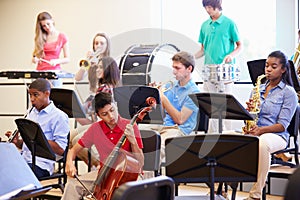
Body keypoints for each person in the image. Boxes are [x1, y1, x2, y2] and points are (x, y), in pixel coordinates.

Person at [61, 92, 144, 200]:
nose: (111, 116)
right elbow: (73, 150)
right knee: (72, 185)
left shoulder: (130, 126)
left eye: (112, 110)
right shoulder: (96, 128)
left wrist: (133, 141)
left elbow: (141, 161)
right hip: (104, 175)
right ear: (98, 115)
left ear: (116, 105)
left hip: (130, 175)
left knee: (131, 193)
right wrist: (69, 163)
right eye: (105, 114)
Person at [243, 51, 298, 200]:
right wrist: (248, 113)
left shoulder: (289, 93)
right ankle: (221, 188)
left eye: (273, 66)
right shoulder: (258, 88)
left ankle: (256, 194)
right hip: (257, 131)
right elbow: (250, 117)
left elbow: (282, 125)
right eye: (267, 65)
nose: (268, 69)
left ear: (283, 69)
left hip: (277, 136)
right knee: (227, 137)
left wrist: (260, 130)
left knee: (263, 143)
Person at [5, 78, 70, 178]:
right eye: (30, 95)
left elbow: (61, 149)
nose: (32, 99)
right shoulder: (30, 112)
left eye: (35, 95)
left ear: (47, 94)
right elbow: (30, 145)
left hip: (41, 165)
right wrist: (18, 142)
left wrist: (39, 139)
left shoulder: (59, 116)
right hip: (24, 160)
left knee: (14, 175)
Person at [194, 0, 242, 132]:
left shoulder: (229, 23)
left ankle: (228, 135)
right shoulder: (205, 25)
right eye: (206, 7)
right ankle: (212, 137)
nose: (207, 10)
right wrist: (190, 58)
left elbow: (239, 46)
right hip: (209, 72)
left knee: (226, 107)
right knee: (210, 107)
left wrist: (231, 56)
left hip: (225, 72)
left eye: (210, 7)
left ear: (217, 6)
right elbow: (202, 50)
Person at [70, 56, 121, 167]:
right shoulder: (104, 87)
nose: (97, 69)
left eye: (100, 67)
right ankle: (93, 166)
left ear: (108, 70)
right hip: (99, 123)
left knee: (77, 141)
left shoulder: (106, 89)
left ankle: (100, 166)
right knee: (70, 136)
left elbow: (90, 109)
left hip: (106, 125)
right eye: (97, 67)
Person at [150, 51, 200, 163]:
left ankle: (148, 179)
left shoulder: (194, 93)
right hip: (163, 126)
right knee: (136, 138)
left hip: (179, 130)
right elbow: (161, 112)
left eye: (178, 68)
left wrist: (163, 98)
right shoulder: (170, 85)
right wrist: (155, 98)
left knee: (154, 151)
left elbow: (180, 119)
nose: (174, 72)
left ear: (189, 69)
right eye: (173, 67)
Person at [32, 11, 70, 87]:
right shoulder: (40, 37)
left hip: (54, 72)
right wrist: (35, 59)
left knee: (56, 96)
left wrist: (56, 61)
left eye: (48, 24)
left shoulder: (62, 36)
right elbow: (35, 56)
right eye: (44, 26)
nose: (47, 27)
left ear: (52, 21)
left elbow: (67, 59)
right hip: (40, 72)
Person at [75, 32, 111, 103]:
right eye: (96, 43)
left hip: (106, 98)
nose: (98, 46)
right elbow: (78, 78)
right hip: (93, 98)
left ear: (107, 45)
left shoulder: (110, 62)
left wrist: (98, 65)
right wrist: (87, 60)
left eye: (102, 43)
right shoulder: (91, 61)